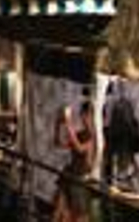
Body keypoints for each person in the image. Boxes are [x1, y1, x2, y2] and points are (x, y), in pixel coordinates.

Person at [53, 89, 95, 222]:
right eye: (85, 116)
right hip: (71, 174)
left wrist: (69, 123)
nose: (87, 119)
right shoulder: (80, 133)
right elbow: (59, 143)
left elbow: (80, 148)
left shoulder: (93, 136)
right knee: (61, 210)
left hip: (81, 177)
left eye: (89, 116)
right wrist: (58, 124)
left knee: (80, 215)